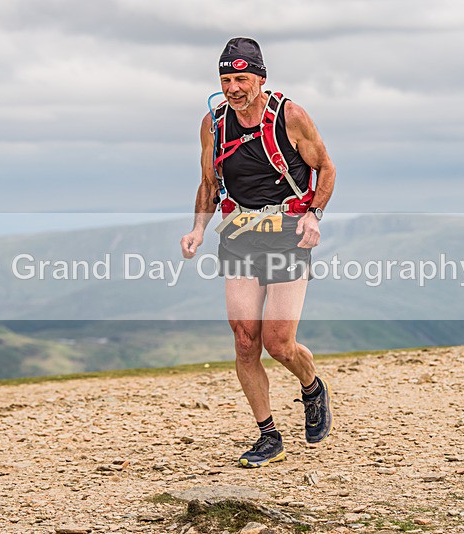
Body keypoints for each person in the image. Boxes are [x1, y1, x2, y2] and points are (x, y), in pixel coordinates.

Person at [180, 37, 336, 468]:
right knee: (246, 339)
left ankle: (311, 387)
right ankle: (268, 435)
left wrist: (313, 214)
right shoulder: (213, 123)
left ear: (261, 78)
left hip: (287, 232)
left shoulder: (290, 115)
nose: (233, 87)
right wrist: (197, 228)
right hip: (240, 232)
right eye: (226, 78)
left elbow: (326, 166)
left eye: (241, 78)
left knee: (278, 342)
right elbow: (209, 184)